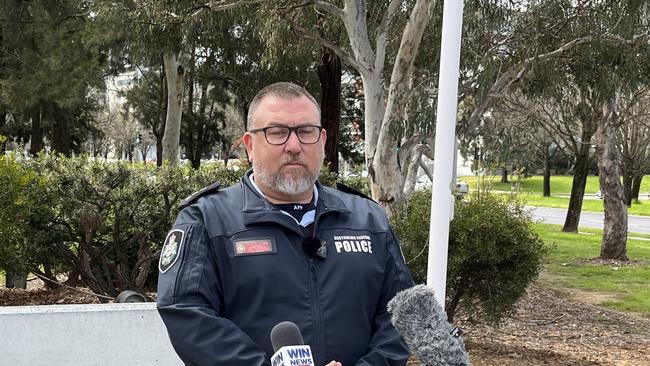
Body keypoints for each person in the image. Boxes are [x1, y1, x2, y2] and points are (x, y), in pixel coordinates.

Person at [157, 82, 414, 366]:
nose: (294, 146)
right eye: (277, 132)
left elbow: (402, 311)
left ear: (323, 141)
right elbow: (188, 315)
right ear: (250, 146)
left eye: (306, 132)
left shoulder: (368, 219)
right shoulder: (206, 220)